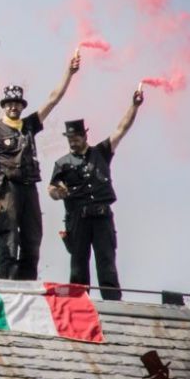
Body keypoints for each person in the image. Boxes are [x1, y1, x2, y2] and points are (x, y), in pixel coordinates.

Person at [0, 50, 81, 280]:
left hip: (29, 187)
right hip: (7, 188)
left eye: (17, 103)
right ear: (3, 105)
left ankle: (28, 283)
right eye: (10, 103)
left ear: (22, 106)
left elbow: (53, 99)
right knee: (9, 237)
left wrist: (70, 72)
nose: (14, 107)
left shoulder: (29, 125)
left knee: (33, 236)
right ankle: (7, 283)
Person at [48, 86, 144, 300]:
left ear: (84, 136)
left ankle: (112, 303)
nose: (72, 141)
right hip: (78, 219)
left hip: (101, 216)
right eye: (69, 138)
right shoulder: (62, 164)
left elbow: (121, 129)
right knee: (78, 265)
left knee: (106, 261)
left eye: (75, 137)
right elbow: (51, 189)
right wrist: (59, 193)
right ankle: (78, 303)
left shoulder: (101, 152)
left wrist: (134, 106)